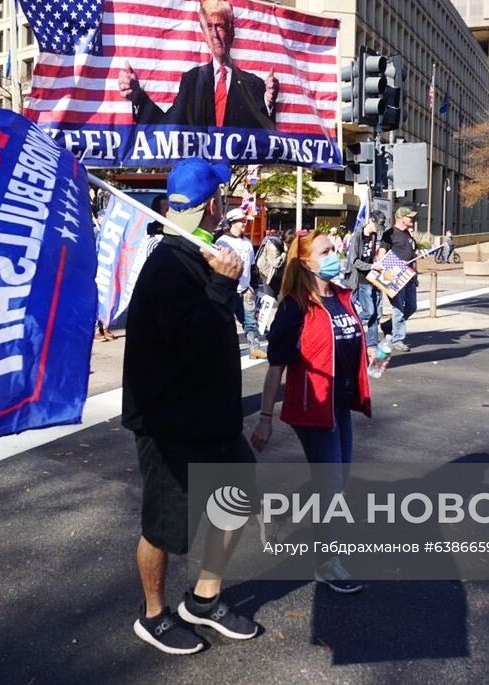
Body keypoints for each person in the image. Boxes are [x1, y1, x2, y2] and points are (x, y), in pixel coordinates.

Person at [122, 158, 260, 655]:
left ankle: (204, 598)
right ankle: (153, 614)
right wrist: (223, 285)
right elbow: (195, 340)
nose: (227, 207)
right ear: (211, 205)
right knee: (166, 525)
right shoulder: (168, 266)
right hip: (170, 424)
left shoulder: (200, 253)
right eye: (222, 198)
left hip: (214, 418)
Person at [250, 230, 372, 593]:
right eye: (326, 250)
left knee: (338, 480)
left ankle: (276, 513)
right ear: (305, 261)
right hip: (312, 408)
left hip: (341, 405)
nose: (334, 254)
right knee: (331, 483)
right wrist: (265, 417)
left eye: (333, 248)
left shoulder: (342, 297)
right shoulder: (294, 306)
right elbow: (276, 367)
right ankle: (326, 562)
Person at [118, 0, 279, 130]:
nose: (215, 35)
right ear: (203, 34)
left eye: (220, 26)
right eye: (209, 27)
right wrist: (138, 96)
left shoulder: (254, 84)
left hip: (236, 168)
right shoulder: (192, 79)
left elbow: (266, 134)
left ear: (232, 31)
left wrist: (268, 103)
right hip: (201, 165)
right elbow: (169, 124)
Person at [215, 208, 265, 358]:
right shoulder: (222, 241)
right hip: (228, 290)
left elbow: (252, 266)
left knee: (250, 321)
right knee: (225, 322)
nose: (245, 224)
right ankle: (224, 350)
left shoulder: (248, 243)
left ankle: (254, 348)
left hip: (245, 289)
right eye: (242, 221)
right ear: (232, 223)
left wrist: (254, 286)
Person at [376, 206, 418, 353]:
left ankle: (388, 326)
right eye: (409, 217)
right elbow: (381, 254)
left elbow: (413, 256)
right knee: (398, 309)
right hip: (395, 277)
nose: (412, 219)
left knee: (412, 306)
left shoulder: (408, 234)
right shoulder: (390, 234)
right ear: (401, 218)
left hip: (409, 276)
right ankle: (398, 339)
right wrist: (389, 273)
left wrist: (415, 275)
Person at [345, 212, 383, 353]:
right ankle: (348, 324)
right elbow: (354, 261)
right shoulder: (357, 236)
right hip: (360, 279)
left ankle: (372, 342)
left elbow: (370, 256)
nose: (378, 229)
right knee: (369, 311)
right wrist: (371, 266)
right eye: (376, 225)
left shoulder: (373, 236)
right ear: (370, 220)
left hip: (372, 277)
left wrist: (375, 263)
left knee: (376, 312)